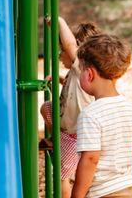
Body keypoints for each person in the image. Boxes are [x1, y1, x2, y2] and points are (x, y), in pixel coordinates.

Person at [72, 34, 132, 198]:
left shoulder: (90, 114)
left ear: (90, 74)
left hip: (102, 193)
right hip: (130, 191)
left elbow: (91, 158)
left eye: (80, 70)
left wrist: (76, 196)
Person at [41, 17, 101, 198]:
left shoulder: (81, 66)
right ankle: (55, 139)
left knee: (61, 176)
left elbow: (69, 44)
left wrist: (59, 22)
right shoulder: (75, 73)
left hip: (74, 136)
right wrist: (59, 79)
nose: (60, 54)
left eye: (62, 50)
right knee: (46, 108)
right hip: (66, 127)